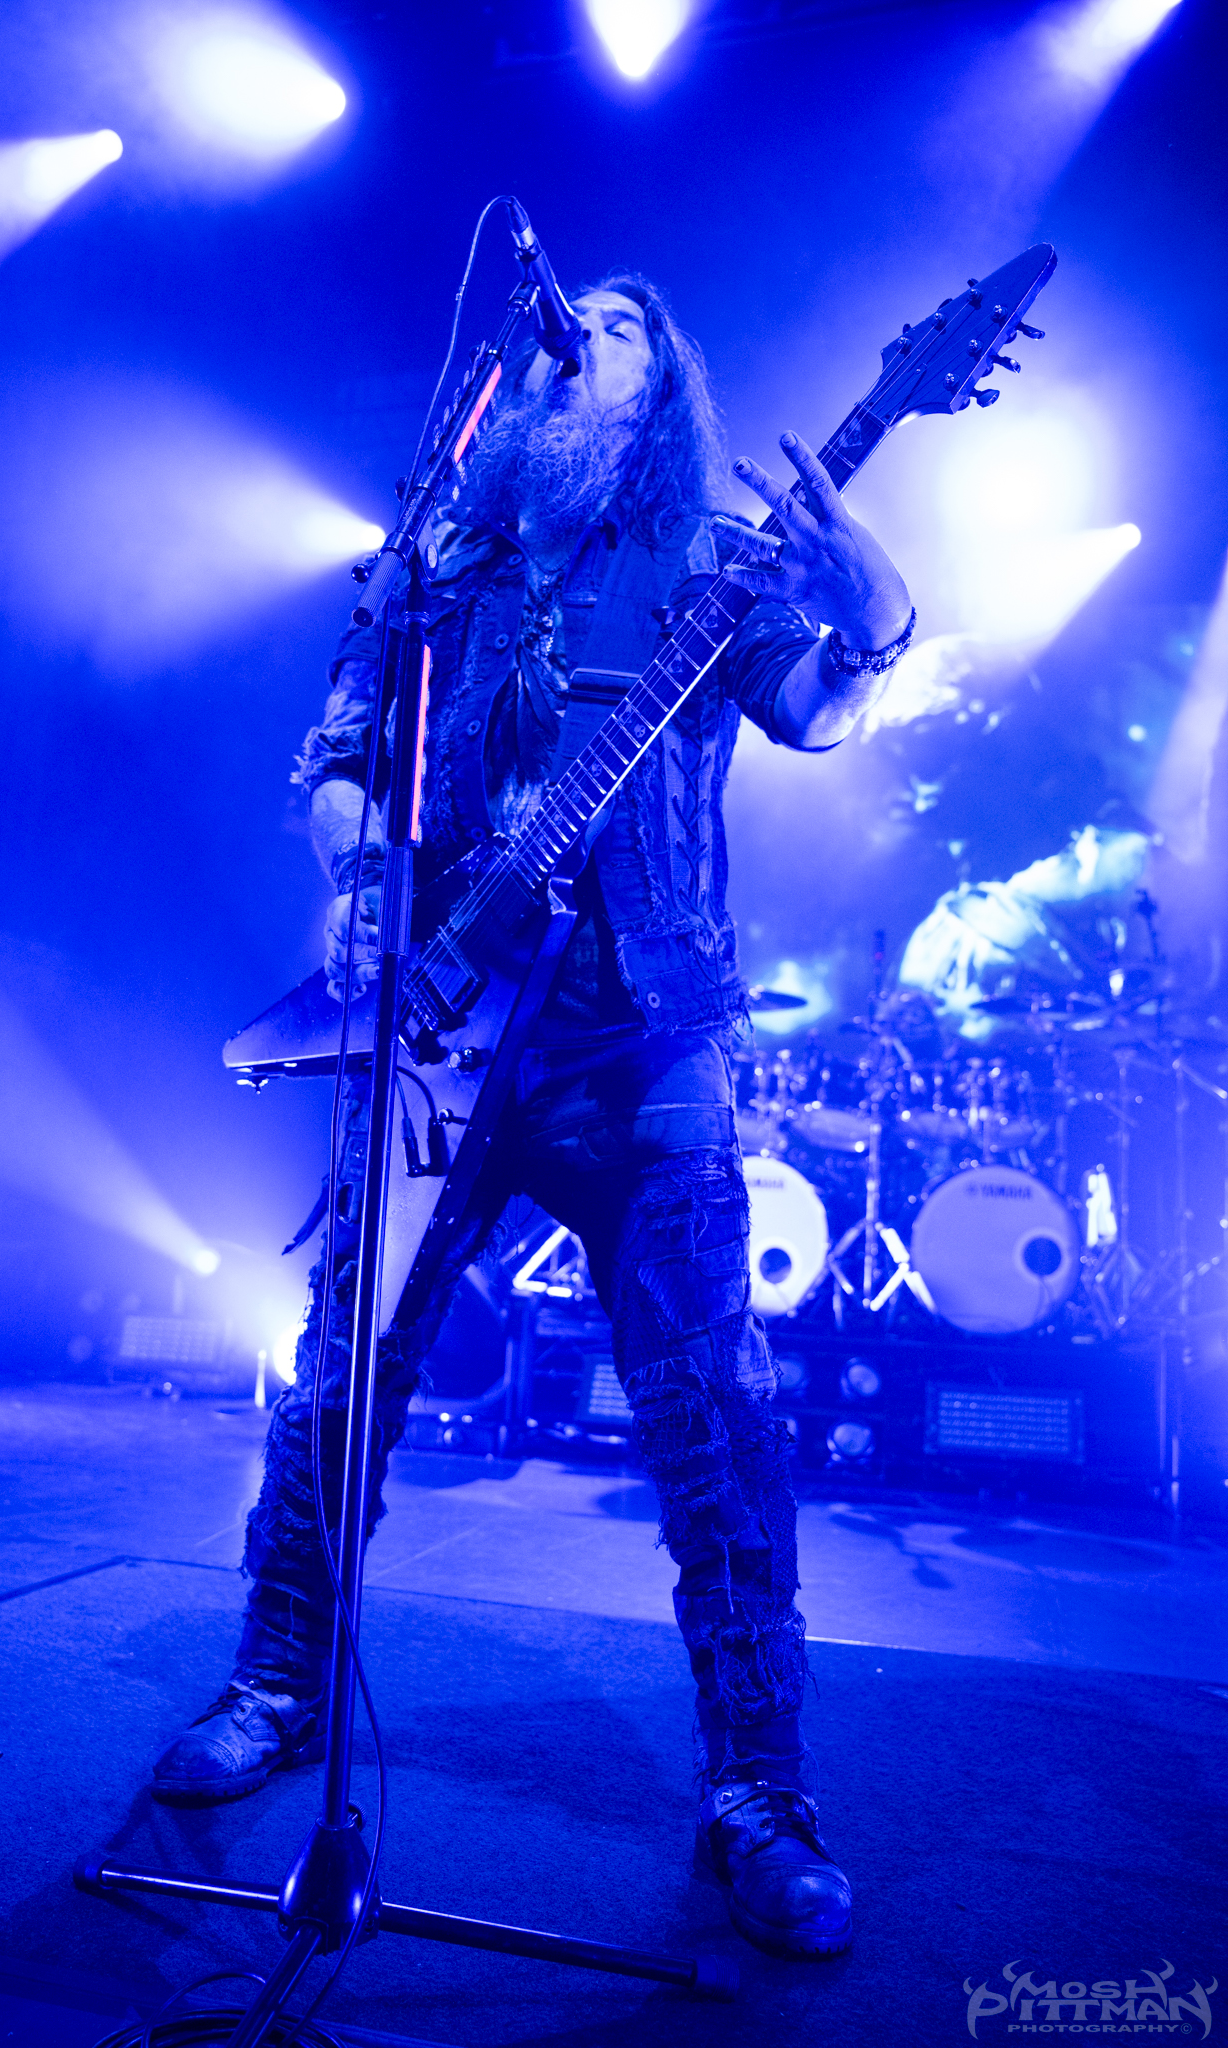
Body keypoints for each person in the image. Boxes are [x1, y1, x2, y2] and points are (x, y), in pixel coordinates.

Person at [152, 275, 914, 1960]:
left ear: (665, 390)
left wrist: (873, 608)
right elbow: (337, 757)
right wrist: (359, 875)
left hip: (643, 1048)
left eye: (625, 324)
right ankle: (274, 1682)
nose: (587, 331)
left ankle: (760, 1793)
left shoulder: (708, 559)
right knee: (341, 1373)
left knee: (714, 1415)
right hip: (446, 1040)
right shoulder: (444, 562)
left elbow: (819, 708)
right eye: (572, 322)